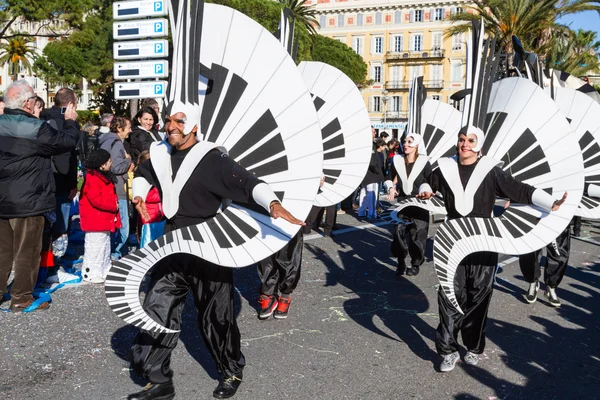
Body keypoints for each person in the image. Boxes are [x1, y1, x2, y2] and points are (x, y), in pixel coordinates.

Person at [127, 110, 305, 400]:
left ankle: (231, 370)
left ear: (195, 125)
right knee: (156, 309)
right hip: (173, 246)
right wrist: (138, 194)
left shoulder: (212, 158)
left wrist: (272, 202)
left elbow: (247, 182)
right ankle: (158, 379)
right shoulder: (161, 153)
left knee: (216, 318)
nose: (171, 127)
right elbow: (146, 174)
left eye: (180, 122)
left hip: (208, 248)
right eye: (169, 121)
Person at [418, 127, 567, 372]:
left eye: (471, 140)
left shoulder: (491, 171)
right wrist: (424, 187)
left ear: (480, 145)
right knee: (449, 295)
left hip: (483, 243)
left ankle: (474, 346)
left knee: (478, 297)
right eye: (462, 139)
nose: (465, 144)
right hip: (452, 242)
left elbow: (520, 190)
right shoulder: (444, 168)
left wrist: (551, 202)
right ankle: (447, 350)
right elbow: (427, 181)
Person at [0, 80, 80, 311]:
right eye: (34, 98)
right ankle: (22, 298)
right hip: (29, 199)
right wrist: (70, 123)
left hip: (3, 199)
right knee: (27, 250)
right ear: (27, 103)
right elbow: (65, 142)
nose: (37, 102)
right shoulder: (35, 128)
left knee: (3, 250)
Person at [41, 88, 81, 257]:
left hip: (43, 179)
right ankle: (54, 265)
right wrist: (72, 183)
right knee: (59, 226)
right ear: (71, 104)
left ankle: (47, 264)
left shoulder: (44, 116)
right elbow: (64, 154)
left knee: (47, 226)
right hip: (60, 181)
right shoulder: (64, 121)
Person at [386, 134, 432, 276]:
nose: (405, 144)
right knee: (398, 232)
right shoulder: (397, 160)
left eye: (410, 142)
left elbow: (430, 181)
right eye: (405, 141)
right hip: (403, 201)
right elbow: (388, 177)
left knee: (418, 234)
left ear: (417, 145)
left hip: (419, 203)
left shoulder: (424, 161)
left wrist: (426, 190)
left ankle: (416, 263)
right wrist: (391, 188)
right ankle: (400, 261)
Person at [79, 149, 122, 283]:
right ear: (102, 164)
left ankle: (104, 268)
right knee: (94, 247)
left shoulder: (103, 176)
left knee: (104, 245)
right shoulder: (93, 178)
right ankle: (90, 272)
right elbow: (96, 199)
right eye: (109, 161)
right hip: (95, 219)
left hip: (103, 219)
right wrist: (113, 206)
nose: (111, 163)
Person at [99, 116, 133, 260]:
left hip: (108, 186)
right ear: (120, 128)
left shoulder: (105, 140)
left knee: (114, 223)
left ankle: (112, 251)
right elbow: (117, 167)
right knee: (123, 226)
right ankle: (115, 252)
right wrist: (128, 160)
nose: (130, 131)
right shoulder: (117, 143)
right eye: (128, 127)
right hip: (118, 187)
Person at [519, 224, 570, 307]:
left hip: (557, 217)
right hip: (534, 215)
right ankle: (533, 281)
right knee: (529, 251)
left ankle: (551, 287)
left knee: (558, 253)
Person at [135, 151, 164, 248]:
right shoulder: (145, 180)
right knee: (149, 241)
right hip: (149, 216)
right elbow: (149, 197)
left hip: (159, 215)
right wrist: (163, 194)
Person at [358, 138, 385, 219]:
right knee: (372, 192)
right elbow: (373, 162)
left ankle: (361, 211)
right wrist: (377, 171)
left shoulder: (362, 142)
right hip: (372, 174)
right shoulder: (371, 144)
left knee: (363, 191)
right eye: (373, 132)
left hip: (364, 172)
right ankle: (372, 213)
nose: (375, 133)